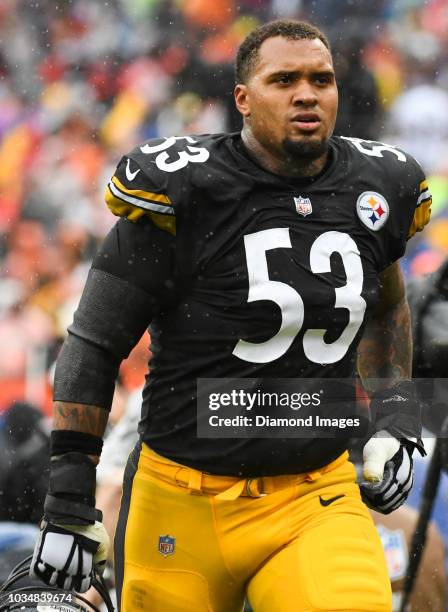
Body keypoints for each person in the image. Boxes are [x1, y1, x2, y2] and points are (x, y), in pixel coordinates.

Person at [30, 19, 431, 611]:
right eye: (284, 79)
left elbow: (386, 305)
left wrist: (396, 415)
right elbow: (93, 345)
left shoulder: (379, 185)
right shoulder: (185, 190)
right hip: (181, 498)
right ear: (242, 99)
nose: (306, 94)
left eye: (321, 79)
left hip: (314, 493)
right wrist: (68, 496)